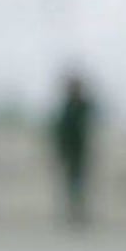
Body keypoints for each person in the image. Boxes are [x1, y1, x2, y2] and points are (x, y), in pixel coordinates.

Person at [51, 75, 95, 225]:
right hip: (69, 152)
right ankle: (72, 214)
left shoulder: (82, 106)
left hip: (80, 152)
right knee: (70, 184)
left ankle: (79, 214)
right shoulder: (67, 106)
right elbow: (61, 131)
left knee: (80, 184)